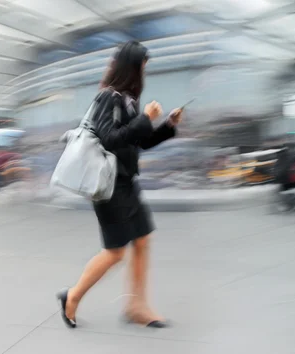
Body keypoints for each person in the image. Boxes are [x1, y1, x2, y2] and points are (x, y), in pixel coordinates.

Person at [57, 41, 183, 329]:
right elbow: (109, 139)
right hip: (108, 186)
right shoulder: (107, 98)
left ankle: (136, 306)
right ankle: (72, 297)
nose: (144, 72)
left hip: (127, 182)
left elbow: (137, 142)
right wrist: (145, 119)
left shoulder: (128, 101)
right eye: (142, 67)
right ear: (132, 67)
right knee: (116, 251)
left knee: (142, 239)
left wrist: (167, 125)